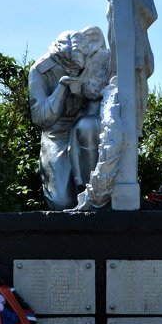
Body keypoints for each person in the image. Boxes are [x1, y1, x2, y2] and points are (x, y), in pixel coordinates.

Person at [29, 26, 110, 210]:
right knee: (61, 202)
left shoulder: (92, 58)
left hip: (84, 125)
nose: (76, 71)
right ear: (58, 59)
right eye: (71, 68)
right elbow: (40, 118)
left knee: (88, 127)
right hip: (55, 135)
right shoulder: (39, 71)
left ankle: (95, 195)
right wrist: (62, 88)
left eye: (78, 68)